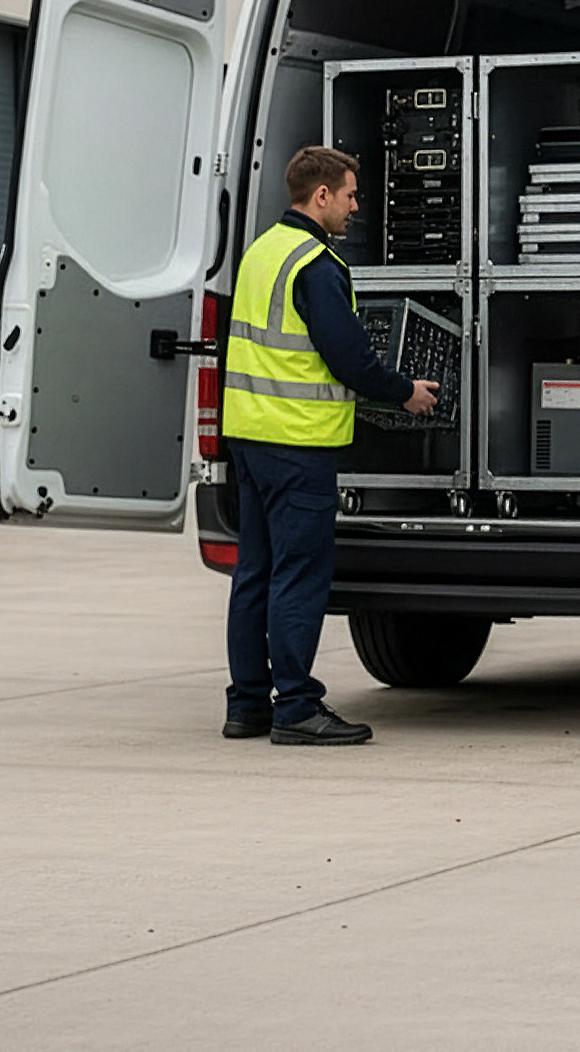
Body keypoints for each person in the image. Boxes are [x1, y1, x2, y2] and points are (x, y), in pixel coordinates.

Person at [220, 146, 440, 746]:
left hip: (249, 437)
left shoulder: (261, 251)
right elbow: (348, 357)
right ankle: (296, 708)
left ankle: (247, 705)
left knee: (255, 574)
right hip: (297, 442)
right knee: (300, 575)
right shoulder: (317, 263)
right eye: (349, 195)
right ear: (322, 196)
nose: (354, 206)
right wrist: (405, 393)